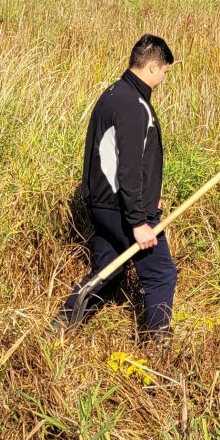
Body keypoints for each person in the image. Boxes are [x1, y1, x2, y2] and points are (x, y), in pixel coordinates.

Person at [55, 34, 177, 336]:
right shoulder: (134, 105)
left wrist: (153, 193)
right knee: (161, 273)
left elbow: (109, 155)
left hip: (102, 204)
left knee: (109, 272)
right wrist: (138, 220)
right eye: (163, 71)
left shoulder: (113, 94)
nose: (163, 78)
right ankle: (157, 346)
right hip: (122, 208)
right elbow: (128, 167)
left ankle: (61, 325)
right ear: (151, 67)